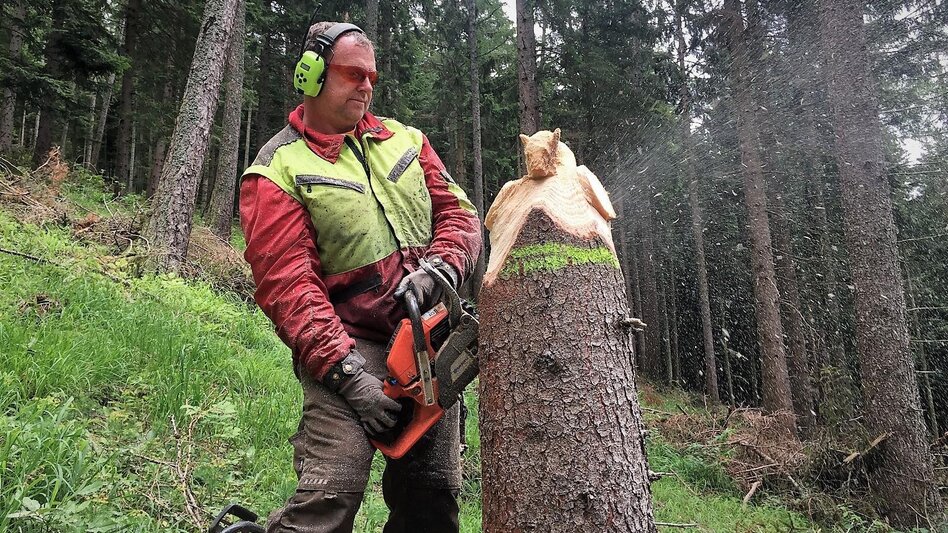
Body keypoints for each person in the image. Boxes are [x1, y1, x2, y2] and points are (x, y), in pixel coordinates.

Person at [238, 19, 482, 533]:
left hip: (425, 341)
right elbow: (289, 287)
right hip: (346, 343)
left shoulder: (406, 141)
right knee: (331, 495)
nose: (366, 86)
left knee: (432, 499)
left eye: (371, 76)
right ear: (310, 75)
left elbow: (459, 214)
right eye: (353, 74)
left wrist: (440, 268)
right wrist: (348, 376)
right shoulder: (278, 168)